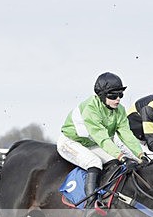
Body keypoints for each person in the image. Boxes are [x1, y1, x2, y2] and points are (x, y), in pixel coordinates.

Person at [57, 72, 147, 204]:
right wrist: (122, 157)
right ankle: (90, 202)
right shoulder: (90, 108)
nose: (118, 99)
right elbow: (103, 139)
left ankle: (107, 196)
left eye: (120, 95)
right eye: (113, 96)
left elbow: (127, 135)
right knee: (94, 162)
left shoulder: (120, 110)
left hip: (91, 144)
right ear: (102, 95)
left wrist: (140, 155)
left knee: (115, 162)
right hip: (70, 142)